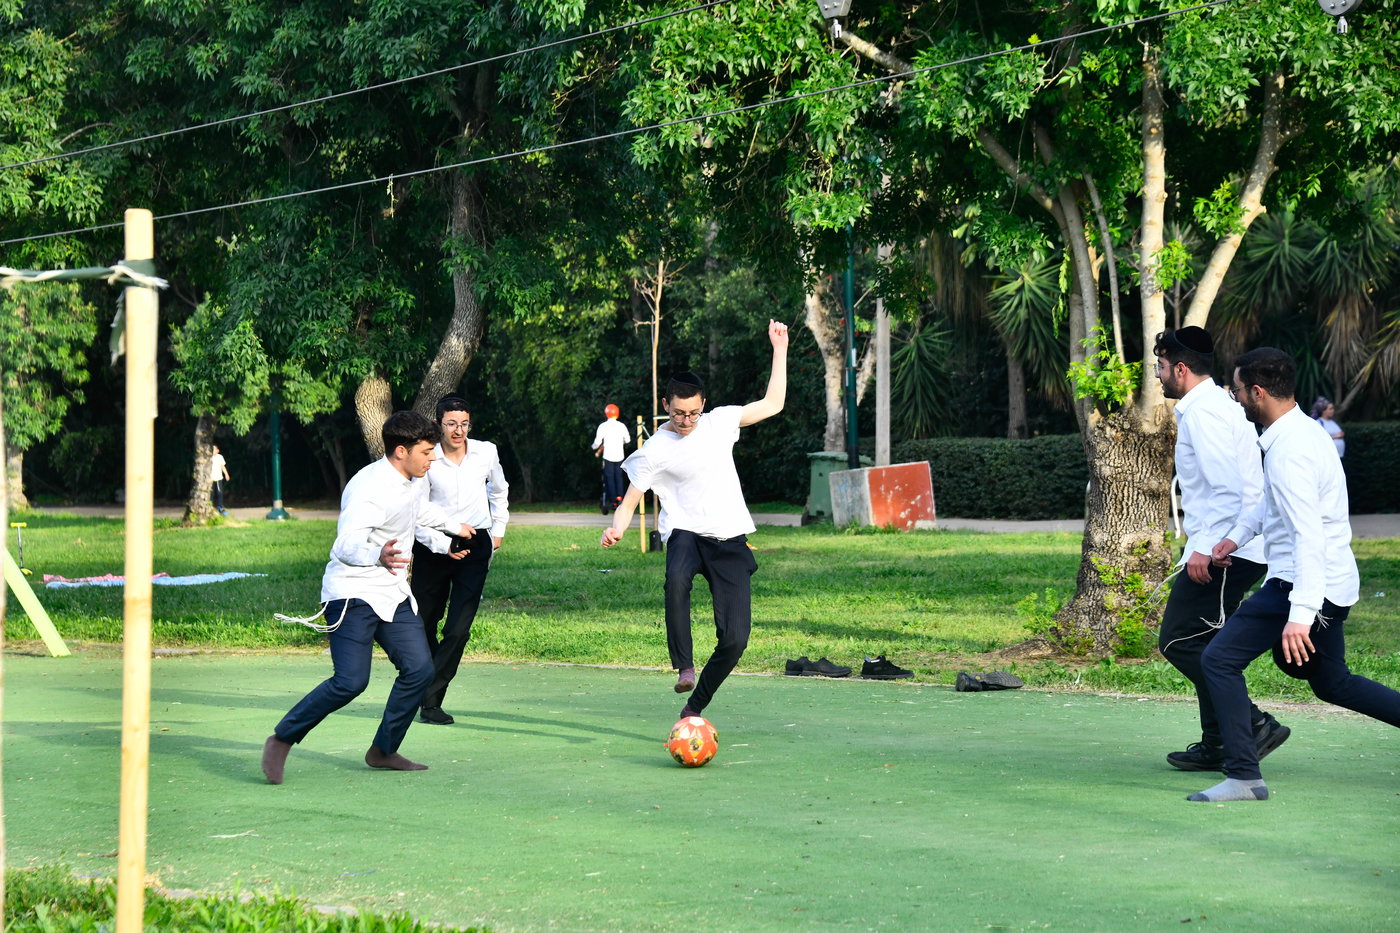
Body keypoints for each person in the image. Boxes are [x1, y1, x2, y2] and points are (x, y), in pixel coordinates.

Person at [1193, 347, 1400, 802]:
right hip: (1327, 583)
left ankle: (1244, 777)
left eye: (1237, 390)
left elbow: (1308, 537)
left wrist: (1300, 614)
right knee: (1333, 682)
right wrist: (1238, 535)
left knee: (1217, 660)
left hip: (1300, 585)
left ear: (1259, 392)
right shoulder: (1299, 434)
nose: (1235, 398)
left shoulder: (1290, 452)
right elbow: (1271, 505)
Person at [260, 411, 476, 784]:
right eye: (426, 452)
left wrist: (451, 531)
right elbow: (345, 543)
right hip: (351, 594)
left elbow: (415, 511)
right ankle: (282, 737)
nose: (433, 458)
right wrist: (376, 554)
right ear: (399, 451)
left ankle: (383, 750)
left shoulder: (410, 479)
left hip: (390, 594)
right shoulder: (368, 488)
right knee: (350, 681)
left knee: (420, 670)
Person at [600, 320, 789, 722]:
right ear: (667, 405)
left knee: (736, 639)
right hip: (686, 532)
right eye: (680, 413)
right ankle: (684, 666)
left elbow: (772, 404)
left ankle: (695, 705)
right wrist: (617, 527)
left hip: (730, 537)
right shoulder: (654, 449)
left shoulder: (719, 422)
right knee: (677, 579)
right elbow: (631, 499)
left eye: (694, 413)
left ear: (704, 405)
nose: (687, 421)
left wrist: (779, 349)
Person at [1152, 327, 1289, 773]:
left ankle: (1251, 725)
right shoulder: (1210, 406)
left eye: (1159, 366)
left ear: (1180, 368)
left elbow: (1227, 492)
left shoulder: (1205, 413)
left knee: (1179, 640)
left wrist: (1205, 549)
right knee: (1203, 643)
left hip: (1229, 550)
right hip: (1237, 545)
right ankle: (1219, 741)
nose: (1157, 376)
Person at [410, 395, 510, 726]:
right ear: (439, 422)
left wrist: (498, 530)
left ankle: (430, 700)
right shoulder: (427, 457)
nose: (459, 430)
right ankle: (425, 688)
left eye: (464, 423)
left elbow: (499, 490)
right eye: (452, 423)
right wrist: (441, 544)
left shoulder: (486, 452)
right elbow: (417, 512)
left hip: (476, 543)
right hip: (433, 544)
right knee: (425, 621)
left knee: (457, 629)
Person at [592, 403, 631, 513]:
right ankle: (620, 498)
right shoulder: (622, 426)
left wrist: (593, 447)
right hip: (620, 455)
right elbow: (628, 440)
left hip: (608, 456)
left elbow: (597, 442)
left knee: (609, 478)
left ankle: (613, 500)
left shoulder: (603, 426)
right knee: (618, 477)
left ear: (607, 414)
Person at [210, 444, 230, 516]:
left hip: (218, 478)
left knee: (219, 492)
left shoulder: (220, 457)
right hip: (210, 478)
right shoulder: (208, 457)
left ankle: (220, 506)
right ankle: (210, 506)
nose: (212, 451)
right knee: (211, 493)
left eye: (214, 449)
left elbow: (222, 466)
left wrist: (226, 474)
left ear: (217, 451)